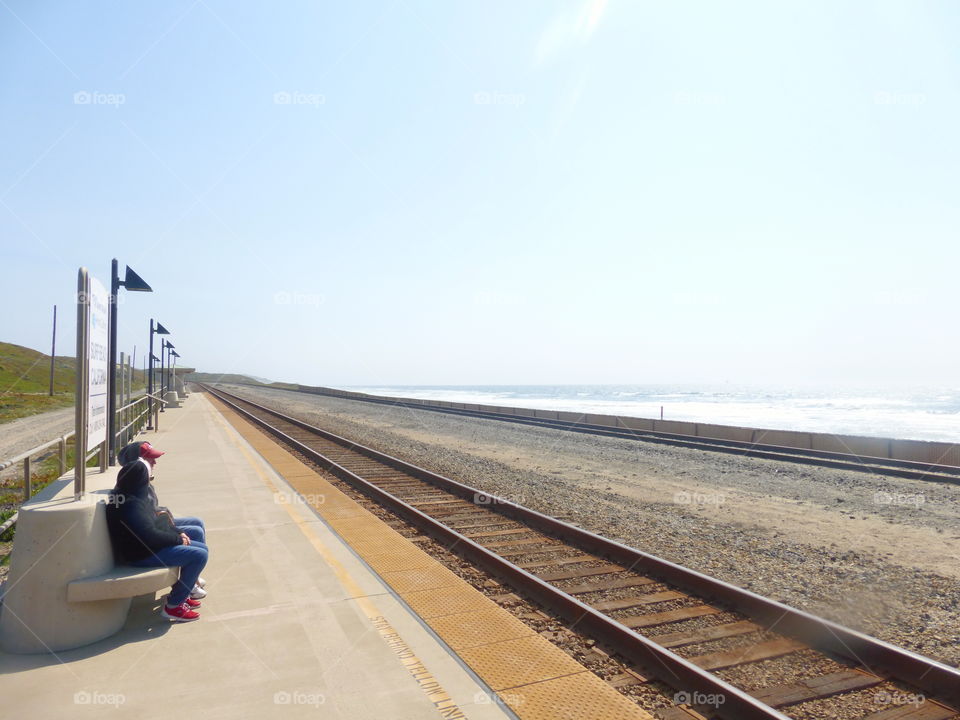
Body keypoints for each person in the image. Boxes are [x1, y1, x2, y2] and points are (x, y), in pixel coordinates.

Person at [107, 443, 208, 622]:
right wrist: (176, 538)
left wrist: (176, 533)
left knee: (201, 549)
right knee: (198, 555)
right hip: (139, 555)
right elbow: (149, 535)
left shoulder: (131, 496)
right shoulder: (131, 505)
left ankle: (182, 593)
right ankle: (174, 606)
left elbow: (156, 522)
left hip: (143, 548)